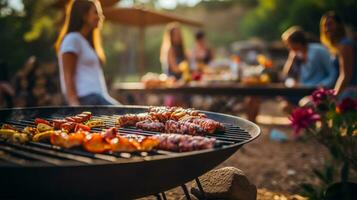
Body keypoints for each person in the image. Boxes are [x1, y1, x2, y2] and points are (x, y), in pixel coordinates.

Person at [55, 0, 119, 106]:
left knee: (127, 116)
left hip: (97, 97)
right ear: (84, 15)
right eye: (96, 13)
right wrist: (74, 104)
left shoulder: (86, 42)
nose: (101, 17)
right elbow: (68, 75)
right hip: (87, 99)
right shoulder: (73, 39)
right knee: (125, 116)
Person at [320, 11, 357, 99]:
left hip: (351, 90)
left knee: (310, 105)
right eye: (325, 26)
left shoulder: (346, 45)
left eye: (330, 24)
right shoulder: (337, 47)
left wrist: (334, 95)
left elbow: (345, 76)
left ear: (339, 25)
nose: (327, 28)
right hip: (344, 88)